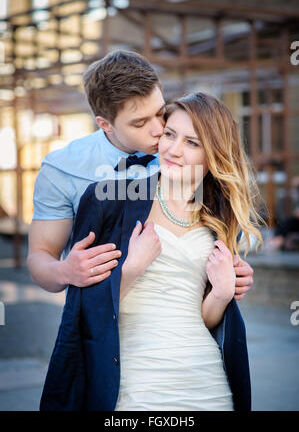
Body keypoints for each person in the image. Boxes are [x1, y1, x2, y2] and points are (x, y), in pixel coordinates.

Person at [40, 92, 264, 411]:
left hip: (207, 384)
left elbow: (203, 318)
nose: (173, 150)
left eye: (192, 142)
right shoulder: (109, 201)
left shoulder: (220, 217)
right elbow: (84, 314)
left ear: (213, 154)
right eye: (170, 135)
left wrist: (221, 294)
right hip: (135, 383)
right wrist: (130, 269)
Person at [27, 50, 254, 298]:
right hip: (104, 321)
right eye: (140, 123)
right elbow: (40, 255)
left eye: (160, 112)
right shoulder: (63, 169)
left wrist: (236, 270)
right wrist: (63, 271)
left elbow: (215, 228)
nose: (159, 130)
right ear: (105, 124)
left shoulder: (183, 152)